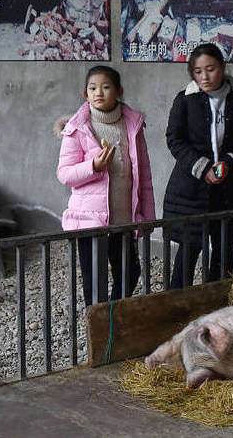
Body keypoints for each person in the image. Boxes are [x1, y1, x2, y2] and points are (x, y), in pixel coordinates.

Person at [163, 43, 233, 288]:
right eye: (198, 71)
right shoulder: (185, 100)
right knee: (188, 250)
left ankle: (216, 305)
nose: (204, 76)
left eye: (211, 69)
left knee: (224, 248)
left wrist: (229, 162)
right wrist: (203, 168)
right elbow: (175, 139)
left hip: (232, 188)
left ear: (223, 67)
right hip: (192, 189)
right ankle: (176, 305)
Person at [56, 65, 155, 305]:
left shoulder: (132, 125)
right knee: (95, 283)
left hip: (123, 220)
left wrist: (147, 217)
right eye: (92, 88)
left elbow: (144, 175)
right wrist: (94, 166)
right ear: (85, 94)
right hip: (91, 222)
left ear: (119, 91)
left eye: (106, 86)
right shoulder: (77, 129)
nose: (98, 92)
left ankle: (112, 319)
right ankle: (98, 334)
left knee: (130, 274)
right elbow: (65, 174)